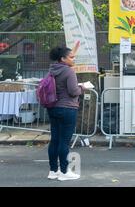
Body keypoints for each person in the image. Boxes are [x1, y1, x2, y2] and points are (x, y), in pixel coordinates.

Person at [47, 46, 83, 181]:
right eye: (71, 57)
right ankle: (64, 172)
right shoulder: (69, 71)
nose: (74, 59)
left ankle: (53, 170)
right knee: (64, 141)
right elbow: (73, 91)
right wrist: (82, 88)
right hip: (67, 108)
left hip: (53, 108)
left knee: (55, 140)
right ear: (63, 59)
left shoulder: (51, 70)